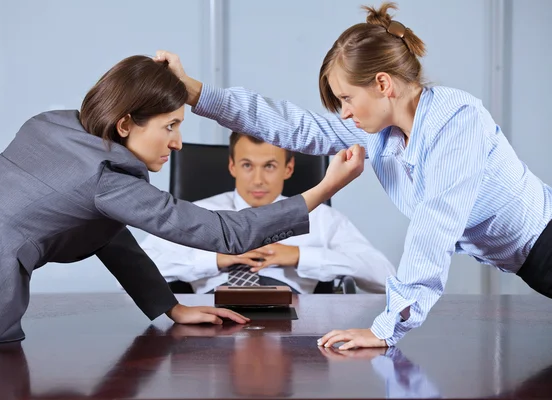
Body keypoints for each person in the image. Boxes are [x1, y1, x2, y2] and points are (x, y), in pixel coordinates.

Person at [153, 1, 552, 349]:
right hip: (528, 260)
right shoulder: (381, 131)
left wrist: (386, 330)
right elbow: (295, 127)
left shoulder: (456, 123)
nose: (343, 112)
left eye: (346, 98)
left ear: (382, 84)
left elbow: (434, 227)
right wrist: (194, 92)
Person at [0, 55, 365, 344]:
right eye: (170, 125)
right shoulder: (105, 179)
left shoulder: (54, 126)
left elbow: (104, 232)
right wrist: (323, 189)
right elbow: (226, 232)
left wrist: (168, 307)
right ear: (127, 123)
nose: (178, 142)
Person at [138, 131, 395, 294]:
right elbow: (135, 273)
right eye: (248, 165)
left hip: (295, 327)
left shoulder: (322, 218)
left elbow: (385, 278)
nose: (258, 179)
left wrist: (300, 256)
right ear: (232, 166)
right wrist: (214, 259)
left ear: (288, 168)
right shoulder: (196, 212)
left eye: (270, 166)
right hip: (209, 322)